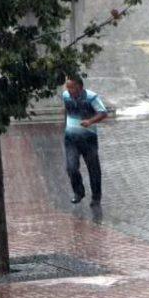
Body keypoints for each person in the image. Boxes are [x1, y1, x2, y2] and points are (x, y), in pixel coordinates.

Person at [61, 76, 107, 206]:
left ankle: (96, 197)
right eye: (67, 87)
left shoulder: (91, 97)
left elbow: (103, 112)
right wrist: (66, 126)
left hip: (88, 138)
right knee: (71, 167)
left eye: (72, 87)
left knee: (93, 168)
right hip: (71, 139)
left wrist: (90, 121)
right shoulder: (65, 96)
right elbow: (66, 110)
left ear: (80, 87)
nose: (69, 90)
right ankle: (78, 192)